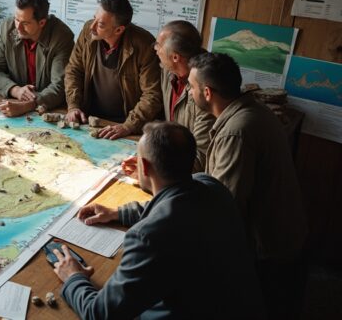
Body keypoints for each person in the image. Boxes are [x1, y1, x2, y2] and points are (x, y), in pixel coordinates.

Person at [53, 122, 265, 319]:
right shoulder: (209, 184)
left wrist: (73, 277)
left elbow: (98, 314)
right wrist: (118, 213)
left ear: (143, 167)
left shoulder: (147, 237)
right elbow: (178, 205)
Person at [188, 52, 308, 319]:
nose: (189, 91)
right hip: (282, 238)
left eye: (191, 87)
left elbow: (222, 204)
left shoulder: (236, 132)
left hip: (271, 252)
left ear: (206, 92)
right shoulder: (248, 109)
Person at [64, 0, 161, 140]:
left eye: (101, 25)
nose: (92, 26)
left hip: (124, 122)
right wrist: (73, 105)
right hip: (90, 117)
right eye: (94, 19)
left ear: (119, 30)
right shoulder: (88, 31)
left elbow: (152, 94)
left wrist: (128, 126)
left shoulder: (144, 45)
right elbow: (74, 69)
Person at [0, 0, 74, 117]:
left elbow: (60, 86)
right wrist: (15, 90)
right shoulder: (7, 27)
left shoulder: (61, 37)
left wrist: (29, 105)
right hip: (14, 101)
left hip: (50, 108)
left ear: (42, 22)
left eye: (25, 23)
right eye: (16, 19)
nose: (18, 27)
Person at [154, 20, 214, 171]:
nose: (155, 49)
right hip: (173, 159)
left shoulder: (205, 91)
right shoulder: (168, 71)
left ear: (175, 57)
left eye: (158, 45)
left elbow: (201, 157)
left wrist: (158, 172)